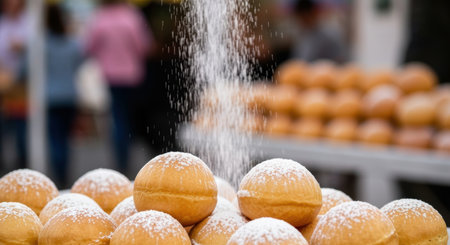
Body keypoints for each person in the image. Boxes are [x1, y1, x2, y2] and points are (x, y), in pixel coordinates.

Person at [85, 0, 151, 174]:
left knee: (118, 116)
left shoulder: (99, 18)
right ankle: (129, 154)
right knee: (129, 116)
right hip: (132, 75)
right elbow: (143, 46)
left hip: (111, 75)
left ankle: (121, 158)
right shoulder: (132, 16)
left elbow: (89, 47)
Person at [44, 3, 83, 188]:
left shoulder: (41, 44)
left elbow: (26, 70)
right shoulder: (73, 42)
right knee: (66, 139)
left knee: (55, 138)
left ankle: (58, 174)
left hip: (49, 97)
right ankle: (64, 173)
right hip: (69, 95)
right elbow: (79, 62)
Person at [0, 0, 29, 171]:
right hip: (4, 80)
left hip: (21, 83)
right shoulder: (3, 22)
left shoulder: (28, 22)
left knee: (21, 124)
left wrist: (22, 47)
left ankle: (22, 159)